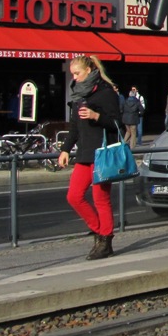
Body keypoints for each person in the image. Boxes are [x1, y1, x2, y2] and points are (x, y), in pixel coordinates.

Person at [57, 55, 123, 260]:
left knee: (100, 198)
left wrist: (96, 116)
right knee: (74, 196)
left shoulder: (106, 93)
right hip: (84, 153)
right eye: (72, 74)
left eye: (77, 73)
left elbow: (117, 125)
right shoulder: (78, 95)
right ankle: (99, 231)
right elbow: (74, 127)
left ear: (89, 70)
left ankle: (105, 240)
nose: (74, 78)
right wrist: (65, 149)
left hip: (102, 153)